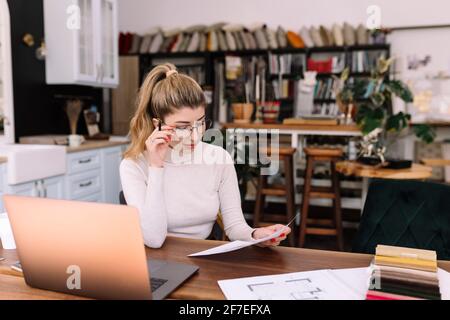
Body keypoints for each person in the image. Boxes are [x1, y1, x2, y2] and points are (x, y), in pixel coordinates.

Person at [120, 63, 291, 248]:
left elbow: (234, 226)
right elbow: (153, 239)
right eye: (183, 127)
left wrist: (255, 235)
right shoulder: (133, 165)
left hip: (204, 256)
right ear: (157, 124)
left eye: (200, 123)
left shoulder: (218, 158)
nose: (196, 135)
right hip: (157, 259)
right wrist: (156, 167)